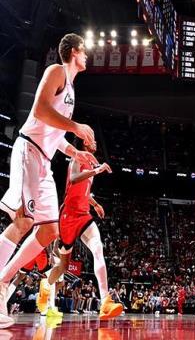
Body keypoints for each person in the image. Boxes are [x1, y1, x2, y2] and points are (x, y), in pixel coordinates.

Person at [0, 33, 97, 328]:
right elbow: (40, 111)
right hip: (29, 150)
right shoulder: (56, 71)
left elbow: (54, 133)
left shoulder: (71, 91)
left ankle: (3, 281)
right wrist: (76, 127)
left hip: (44, 160)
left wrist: (74, 151)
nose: (87, 55)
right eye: (84, 50)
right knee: (22, 221)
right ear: (73, 51)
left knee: (49, 231)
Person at [37, 139, 123, 320]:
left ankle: (105, 301)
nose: (95, 141)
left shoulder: (90, 162)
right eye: (92, 138)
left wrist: (95, 204)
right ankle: (46, 284)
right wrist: (96, 170)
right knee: (63, 266)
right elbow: (74, 179)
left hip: (84, 214)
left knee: (98, 249)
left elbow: (84, 190)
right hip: (68, 216)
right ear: (84, 143)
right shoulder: (77, 157)